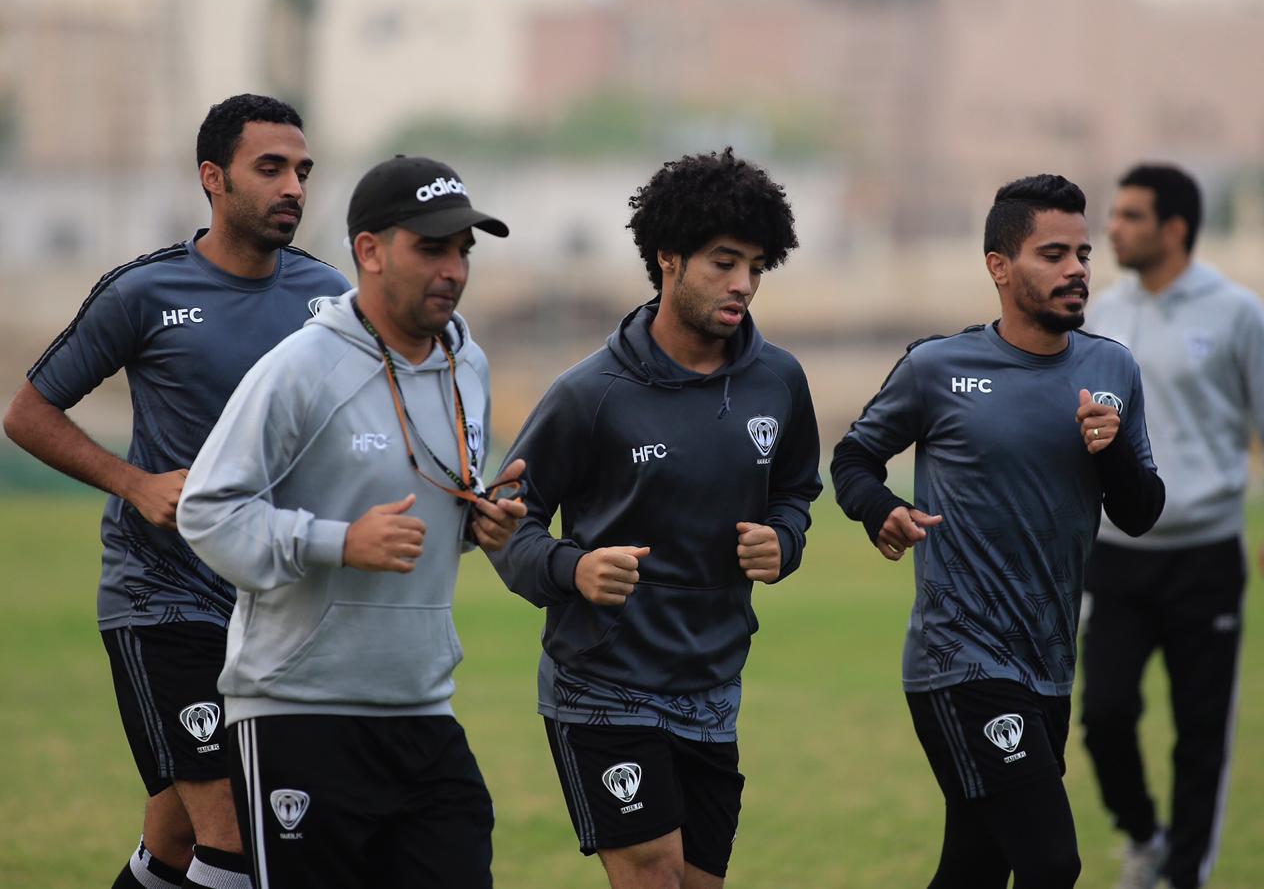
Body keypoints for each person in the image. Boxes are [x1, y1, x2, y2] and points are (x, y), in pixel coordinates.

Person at [3, 94, 349, 889]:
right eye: (270, 168)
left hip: (275, 605)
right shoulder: (143, 292)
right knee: (234, 834)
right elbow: (29, 413)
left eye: (302, 170)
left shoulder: (330, 297)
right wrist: (134, 483)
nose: (293, 186)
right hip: (165, 598)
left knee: (174, 845)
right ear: (212, 178)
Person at [176, 154, 526, 888]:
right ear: (369, 250)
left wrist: (478, 521)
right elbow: (207, 512)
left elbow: (434, 500)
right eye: (432, 247)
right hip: (297, 712)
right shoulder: (301, 368)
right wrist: (339, 543)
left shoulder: (470, 367)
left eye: (464, 249)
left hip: (423, 708)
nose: (454, 269)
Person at [489, 148, 822, 889]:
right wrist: (571, 567)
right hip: (603, 685)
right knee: (652, 875)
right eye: (724, 262)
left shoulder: (780, 381)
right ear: (667, 258)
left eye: (757, 266)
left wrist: (786, 539)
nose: (744, 284)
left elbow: (798, 489)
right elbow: (508, 521)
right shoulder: (589, 393)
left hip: (712, 684)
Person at [831, 174, 1166, 889]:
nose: (1077, 268)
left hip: (1047, 664)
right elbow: (853, 458)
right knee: (1050, 863)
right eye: (1054, 253)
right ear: (999, 267)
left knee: (975, 869)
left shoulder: (1112, 369)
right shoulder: (938, 368)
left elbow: (1140, 511)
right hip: (961, 661)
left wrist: (1111, 457)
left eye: (1082, 252)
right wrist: (878, 509)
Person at [1079, 164, 1264, 889]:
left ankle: (1185, 873)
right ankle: (1143, 836)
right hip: (1116, 555)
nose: (1113, 229)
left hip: (1206, 554)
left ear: (1174, 228)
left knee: (1200, 733)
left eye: (1129, 216)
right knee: (1104, 715)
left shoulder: (1238, 314)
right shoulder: (1102, 316)